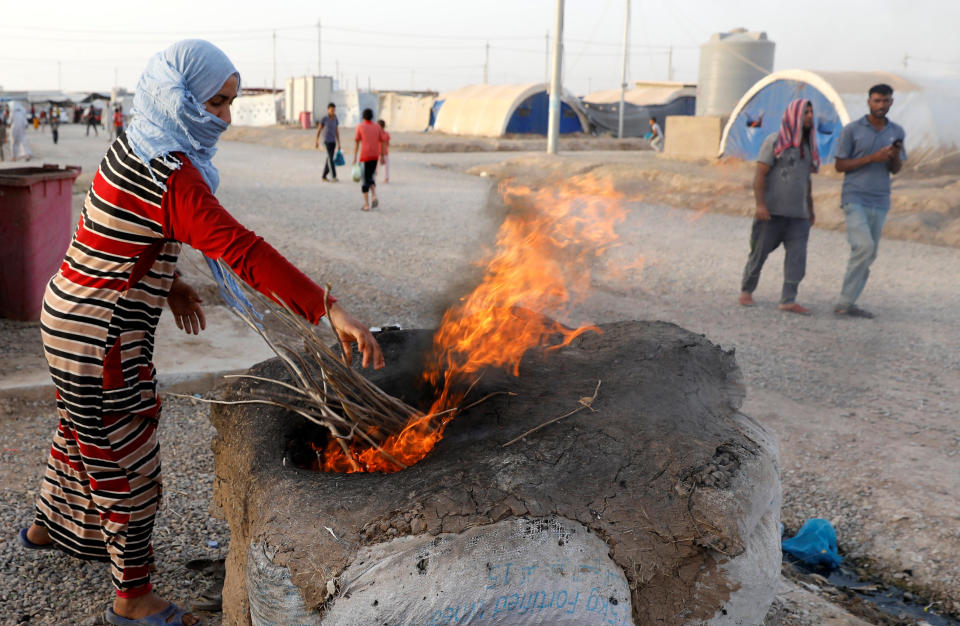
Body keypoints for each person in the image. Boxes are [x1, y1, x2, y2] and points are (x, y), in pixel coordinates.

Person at [19, 39, 384, 626]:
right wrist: (328, 309)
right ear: (180, 95)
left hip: (68, 314)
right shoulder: (173, 175)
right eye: (215, 103)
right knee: (126, 456)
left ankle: (46, 527)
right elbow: (240, 247)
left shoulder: (135, 140)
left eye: (231, 103)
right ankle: (132, 597)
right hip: (103, 336)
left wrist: (172, 285)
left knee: (79, 429)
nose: (225, 117)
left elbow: (110, 233)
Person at [738, 99, 818, 315]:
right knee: (759, 253)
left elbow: (806, 181)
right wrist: (760, 205)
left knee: (797, 257)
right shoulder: (774, 142)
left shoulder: (808, 146)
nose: (810, 116)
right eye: (805, 113)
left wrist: (810, 210)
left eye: (811, 113)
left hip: (798, 215)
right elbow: (760, 174)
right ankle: (747, 290)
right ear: (794, 116)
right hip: (771, 213)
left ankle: (788, 299)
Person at [833, 83, 905, 319]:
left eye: (885, 101)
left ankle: (850, 302)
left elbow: (896, 169)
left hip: (880, 199)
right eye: (877, 101)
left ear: (891, 102)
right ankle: (844, 303)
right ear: (868, 102)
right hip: (855, 196)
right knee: (863, 246)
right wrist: (872, 158)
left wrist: (892, 157)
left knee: (869, 252)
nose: (881, 105)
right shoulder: (852, 130)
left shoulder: (896, 131)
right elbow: (840, 164)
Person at [352, 107, 386, 211]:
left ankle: (366, 205)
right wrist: (382, 156)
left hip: (365, 157)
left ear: (363, 116)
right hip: (375, 156)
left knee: (365, 180)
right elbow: (383, 141)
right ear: (372, 117)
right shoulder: (377, 127)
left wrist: (355, 157)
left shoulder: (360, 127)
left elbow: (357, 143)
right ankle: (374, 195)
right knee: (370, 176)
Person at [314, 102, 341, 182]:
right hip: (326, 141)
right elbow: (319, 130)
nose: (333, 111)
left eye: (334, 110)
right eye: (331, 110)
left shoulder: (336, 118)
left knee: (330, 158)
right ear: (328, 110)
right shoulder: (324, 118)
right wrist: (316, 141)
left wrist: (339, 143)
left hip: (333, 141)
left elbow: (337, 131)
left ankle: (324, 176)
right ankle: (334, 176)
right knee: (330, 158)